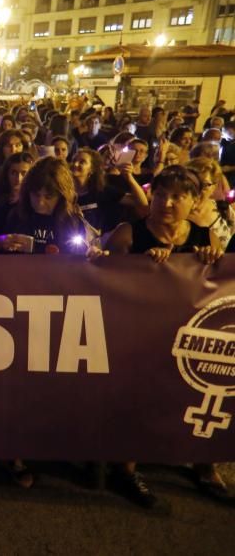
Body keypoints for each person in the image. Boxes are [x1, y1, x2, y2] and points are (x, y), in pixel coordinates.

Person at [104, 165, 226, 511]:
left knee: (200, 395)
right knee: (139, 397)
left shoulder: (205, 239)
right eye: (160, 195)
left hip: (190, 334)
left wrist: (211, 263)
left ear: (194, 201)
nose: (167, 203)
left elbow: (218, 286)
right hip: (137, 335)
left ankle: (205, 464)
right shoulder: (130, 234)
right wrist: (140, 266)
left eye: (177, 197)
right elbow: (101, 279)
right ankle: (126, 469)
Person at [0, 157, 94, 256]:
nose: (40, 202)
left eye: (48, 197)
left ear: (61, 197)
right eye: (36, 195)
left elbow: (83, 258)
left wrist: (92, 254)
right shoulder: (10, 210)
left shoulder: (71, 220)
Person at [70, 148, 147, 237]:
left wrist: (129, 177)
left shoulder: (102, 191)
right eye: (74, 160)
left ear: (92, 169)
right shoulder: (64, 193)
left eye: (82, 162)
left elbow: (142, 202)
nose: (75, 164)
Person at [185, 157, 235, 249]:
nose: (197, 189)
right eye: (192, 183)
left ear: (214, 187)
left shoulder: (224, 209)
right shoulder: (176, 214)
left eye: (204, 185)